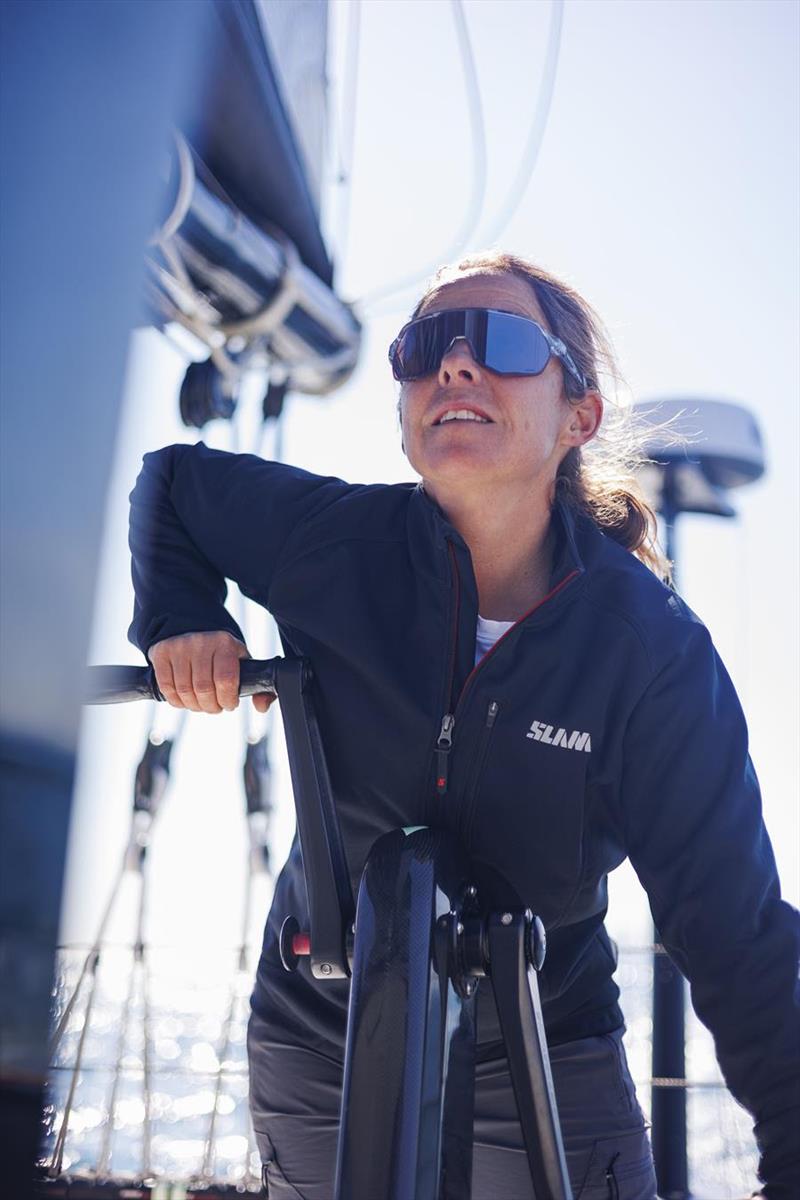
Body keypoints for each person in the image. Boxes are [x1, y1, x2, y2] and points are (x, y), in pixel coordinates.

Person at [128, 251, 799, 1199]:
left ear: (579, 417)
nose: (453, 364)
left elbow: (733, 931)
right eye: (425, 345)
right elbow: (170, 489)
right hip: (325, 1043)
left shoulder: (647, 653)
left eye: (499, 341)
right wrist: (184, 618)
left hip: (544, 1059)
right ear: (404, 415)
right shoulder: (334, 542)